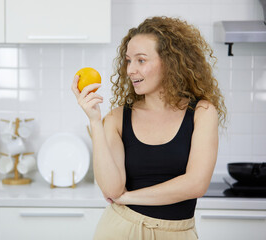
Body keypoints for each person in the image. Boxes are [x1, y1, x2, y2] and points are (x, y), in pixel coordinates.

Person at [71, 16, 226, 240]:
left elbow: (196, 184)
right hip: (120, 228)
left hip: (177, 233)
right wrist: (95, 121)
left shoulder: (202, 112)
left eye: (141, 60)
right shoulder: (116, 118)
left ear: (170, 62)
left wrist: (129, 198)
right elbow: (112, 190)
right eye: (128, 61)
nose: (130, 70)